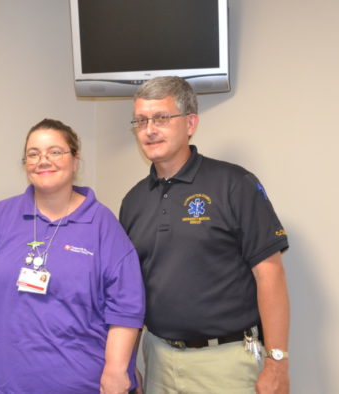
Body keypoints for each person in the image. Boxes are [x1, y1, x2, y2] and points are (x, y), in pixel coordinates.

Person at [119, 77, 290, 394]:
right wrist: (127, 365)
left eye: (161, 118)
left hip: (226, 362)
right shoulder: (133, 201)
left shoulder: (234, 184)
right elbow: (131, 291)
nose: (149, 129)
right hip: (158, 358)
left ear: (190, 123)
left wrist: (277, 361)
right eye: (141, 121)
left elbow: (270, 273)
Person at [0, 118, 145, 394]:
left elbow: (126, 308)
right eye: (33, 154)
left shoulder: (102, 224)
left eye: (55, 151)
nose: (43, 160)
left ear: (76, 160)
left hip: (79, 384)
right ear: (25, 164)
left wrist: (115, 372)